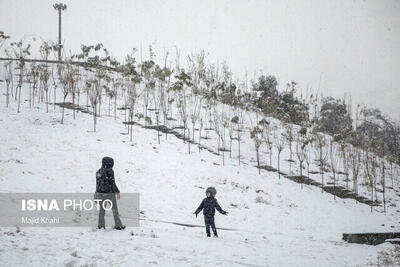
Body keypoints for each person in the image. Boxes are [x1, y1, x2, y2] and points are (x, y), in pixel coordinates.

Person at [95, 157, 125, 230]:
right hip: (110, 194)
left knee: (102, 211)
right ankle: (118, 225)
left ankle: (101, 225)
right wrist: (117, 192)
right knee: (114, 210)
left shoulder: (98, 171)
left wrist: (96, 193)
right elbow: (112, 183)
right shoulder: (110, 171)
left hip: (101, 194)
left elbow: (97, 184)